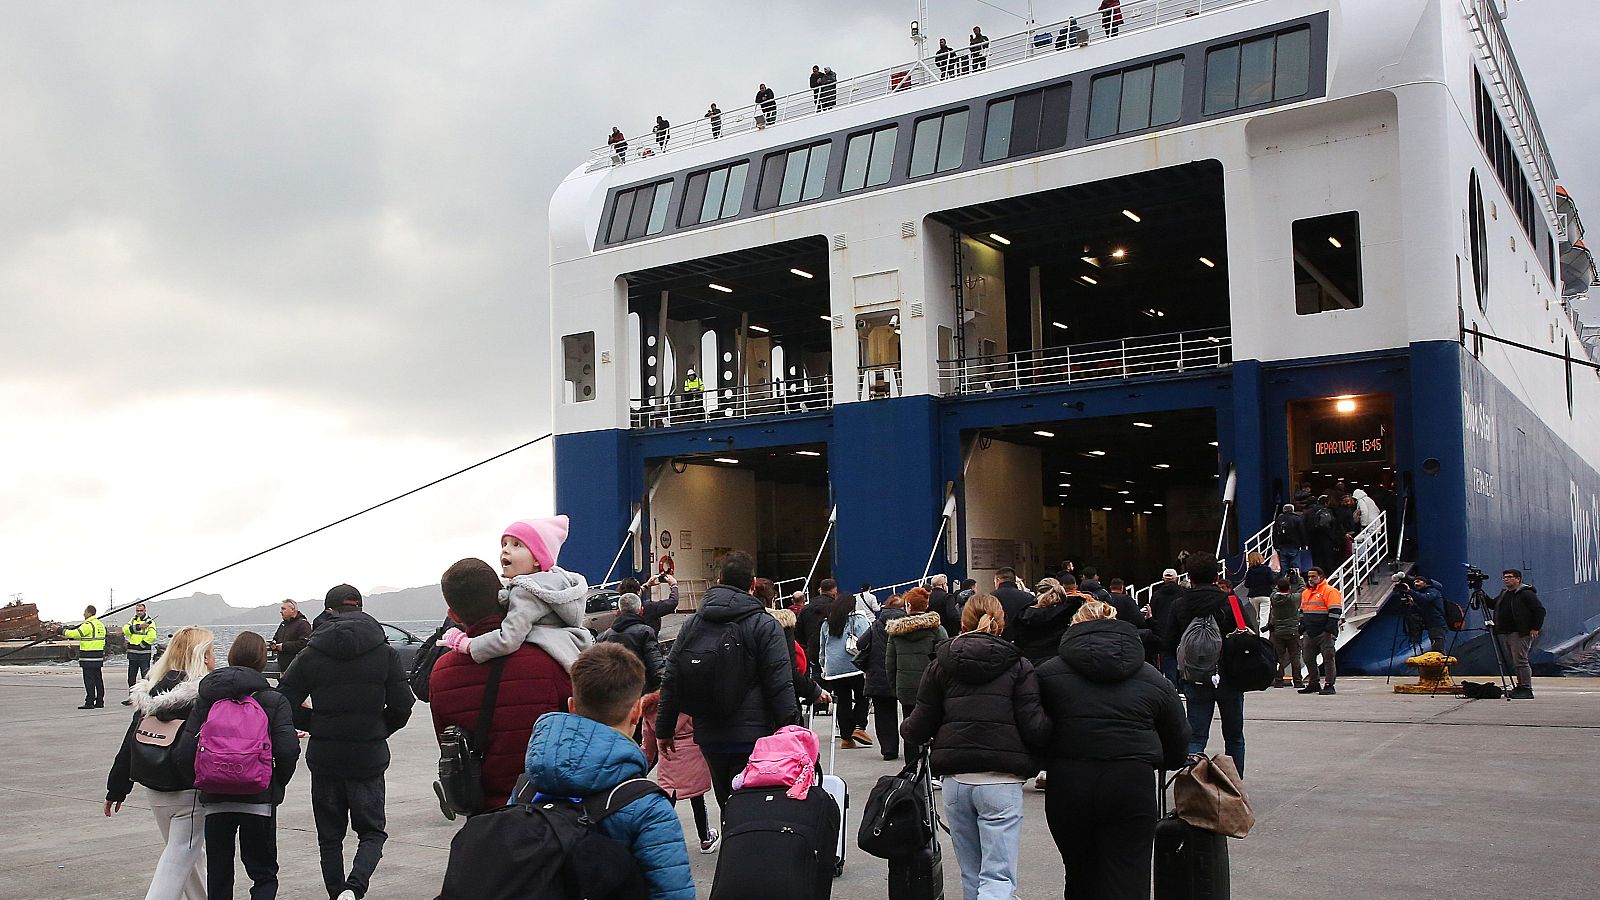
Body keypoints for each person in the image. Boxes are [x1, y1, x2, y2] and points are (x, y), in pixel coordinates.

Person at [1036, 600, 1189, 900]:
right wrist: (1166, 759)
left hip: (1070, 779)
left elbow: (1034, 725)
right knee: (1129, 868)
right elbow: (1179, 734)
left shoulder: (1047, 673)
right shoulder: (1151, 676)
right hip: (1132, 779)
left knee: (1079, 869)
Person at [901, 595, 1051, 900]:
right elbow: (1035, 726)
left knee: (971, 873)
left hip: (956, 779)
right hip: (1001, 780)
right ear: (1001, 624)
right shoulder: (1018, 665)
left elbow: (917, 727)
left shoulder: (941, 664)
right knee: (997, 875)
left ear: (963, 622)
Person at [277, 584, 416, 900]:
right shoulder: (385, 652)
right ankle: (354, 889)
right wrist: (378, 728)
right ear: (362, 608)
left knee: (329, 837)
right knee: (372, 832)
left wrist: (315, 724)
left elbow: (284, 700)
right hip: (368, 756)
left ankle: (336, 893)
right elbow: (403, 706)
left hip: (326, 756)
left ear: (327, 611)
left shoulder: (311, 653)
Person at [526, 644, 695, 900]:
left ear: (572, 706)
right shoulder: (647, 806)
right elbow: (673, 893)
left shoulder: (528, 785)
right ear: (637, 711)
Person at [655, 550, 797, 814]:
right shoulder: (764, 625)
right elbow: (779, 683)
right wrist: (792, 732)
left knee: (726, 803)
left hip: (710, 733)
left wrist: (664, 729)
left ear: (718, 580)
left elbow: (672, 676)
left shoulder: (693, 623)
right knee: (752, 807)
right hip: (754, 735)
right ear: (752, 584)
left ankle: (732, 843)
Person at [429, 558, 572, 810]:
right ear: (503, 597)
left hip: (485, 816)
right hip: (545, 809)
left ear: (453, 614)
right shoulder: (549, 657)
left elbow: (448, 741)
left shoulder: (441, 674)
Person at [176, 631, 300, 900]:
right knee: (263, 871)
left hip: (216, 799)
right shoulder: (273, 699)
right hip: (258, 798)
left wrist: (203, 782)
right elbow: (288, 751)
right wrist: (275, 784)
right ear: (261, 660)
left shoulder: (207, 699)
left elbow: (185, 752)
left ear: (230, 656)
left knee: (219, 872)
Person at [105, 625, 217, 900]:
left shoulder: (151, 692)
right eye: (212, 653)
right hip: (187, 789)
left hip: (154, 786)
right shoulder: (204, 695)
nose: (215, 659)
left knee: (186, 857)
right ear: (202, 657)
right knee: (179, 857)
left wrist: (117, 788)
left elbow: (129, 742)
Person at [442, 517, 594, 671]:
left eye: (517, 545)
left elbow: (508, 639)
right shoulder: (553, 583)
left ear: (537, 558)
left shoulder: (526, 592)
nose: (506, 549)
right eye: (504, 544)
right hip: (569, 648)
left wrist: (467, 645)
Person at [1166, 553, 1252, 775]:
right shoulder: (1231, 603)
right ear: (1217, 576)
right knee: (1234, 737)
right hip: (1230, 678)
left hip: (1195, 678)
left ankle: (1193, 788)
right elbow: (1249, 635)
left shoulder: (1180, 605)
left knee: (1195, 737)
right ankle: (1234, 787)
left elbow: (1169, 642)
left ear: (1190, 577)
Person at [641, 689, 720, 854]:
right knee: (697, 799)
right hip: (693, 755)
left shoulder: (651, 710)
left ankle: (661, 840)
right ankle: (705, 838)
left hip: (668, 756)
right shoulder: (691, 704)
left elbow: (648, 742)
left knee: (669, 799)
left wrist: (645, 763)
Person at [856, 593, 907, 760]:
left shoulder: (876, 625)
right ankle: (912, 748)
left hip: (878, 675)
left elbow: (860, 644)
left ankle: (888, 749)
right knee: (909, 712)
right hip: (902, 673)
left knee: (884, 713)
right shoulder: (908, 625)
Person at [820, 593, 873, 750]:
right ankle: (859, 727)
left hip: (834, 669)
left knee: (843, 701)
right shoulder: (858, 619)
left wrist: (824, 666)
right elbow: (867, 641)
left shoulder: (827, 623)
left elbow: (823, 648)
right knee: (863, 696)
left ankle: (846, 738)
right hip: (855, 665)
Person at [885, 587, 947, 717]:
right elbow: (944, 660)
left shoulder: (896, 632)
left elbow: (890, 663)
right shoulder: (937, 629)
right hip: (931, 687)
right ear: (926, 605)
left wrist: (896, 688)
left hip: (905, 687)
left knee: (909, 726)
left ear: (908, 605)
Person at [599, 593, 667, 693]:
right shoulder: (646, 632)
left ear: (618, 611)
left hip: (615, 694)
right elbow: (656, 668)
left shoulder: (605, 636)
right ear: (641, 611)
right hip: (640, 691)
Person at [1492, 569, 1544, 699]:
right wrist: (1481, 595)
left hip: (1520, 633)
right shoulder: (1504, 594)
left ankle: (1526, 688)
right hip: (1507, 632)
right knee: (1515, 661)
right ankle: (1520, 686)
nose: (1506, 579)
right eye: (1504, 577)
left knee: (1521, 661)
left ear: (1518, 579)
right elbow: (1494, 605)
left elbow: (1539, 610)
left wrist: (1535, 628)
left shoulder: (1526, 594)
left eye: (1510, 577)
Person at [1015, 576, 1085, 667]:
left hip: (1031, 662)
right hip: (1060, 662)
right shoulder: (1069, 611)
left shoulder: (1025, 615)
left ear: (1038, 592)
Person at [1298, 567, 1342, 696]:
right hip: (1310, 631)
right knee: (1308, 658)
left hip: (1325, 632)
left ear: (1321, 576)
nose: (1310, 579)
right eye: (1309, 577)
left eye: (1313, 576)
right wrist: (1303, 626)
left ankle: (1329, 684)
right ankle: (1314, 683)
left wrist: (1329, 629)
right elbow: (1302, 611)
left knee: (1328, 658)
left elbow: (1335, 611)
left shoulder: (1330, 591)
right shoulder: (1305, 593)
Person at [1149, 569, 1186, 685]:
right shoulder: (1183, 593)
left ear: (1163, 580)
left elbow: (1152, 613)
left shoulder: (1156, 595)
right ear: (1176, 579)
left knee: (1167, 660)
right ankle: (1181, 685)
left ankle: (1171, 685)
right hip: (1180, 631)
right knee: (1182, 658)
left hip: (1163, 632)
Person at [65, 604, 107, 709]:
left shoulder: (88, 624)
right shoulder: (100, 624)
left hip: (88, 655)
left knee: (89, 679)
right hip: (98, 655)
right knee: (98, 679)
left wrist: (61, 631)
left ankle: (89, 702)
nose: (83, 614)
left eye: (85, 612)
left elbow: (75, 634)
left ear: (89, 613)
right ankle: (100, 701)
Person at [1268, 574, 1304, 688]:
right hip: (1293, 630)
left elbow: (1274, 590)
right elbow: (1302, 589)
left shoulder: (1273, 598)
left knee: (1278, 657)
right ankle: (1297, 681)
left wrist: (1283, 580)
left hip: (1278, 631)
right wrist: (1299, 578)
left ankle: (1278, 680)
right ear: (1289, 588)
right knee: (1295, 657)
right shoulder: (1294, 599)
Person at [1403, 574, 1449, 656]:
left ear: (1425, 583)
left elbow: (1426, 598)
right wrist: (1412, 604)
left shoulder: (1433, 591)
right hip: (1432, 625)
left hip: (1438, 624)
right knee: (1436, 647)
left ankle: (1441, 666)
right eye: (1414, 582)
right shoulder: (1424, 595)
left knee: (1438, 650)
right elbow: (1422, 610)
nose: (1415, 584)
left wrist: (1410, 591)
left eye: (1418, 581)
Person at [795, 579, 836, 673]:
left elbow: (798, 634)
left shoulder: (805, 609)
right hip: (834, 653)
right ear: (835, 591)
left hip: (814, 652)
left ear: (820, 590)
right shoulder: (836, 608)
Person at [991, 567, 1036, 644]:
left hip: (999, 642)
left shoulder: (991, 598)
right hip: (1025, 642)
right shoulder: (1029, 597)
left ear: (998, 580)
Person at [123, 602, 157, 701]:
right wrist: (138, 627)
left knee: (145, 677)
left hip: (143, 654)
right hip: (132, 654)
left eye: (141, 610)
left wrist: (141, 645)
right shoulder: (133, 620)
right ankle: (131, 697)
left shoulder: (150, 622)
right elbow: (125, 630)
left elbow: (152, 636)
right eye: (137, 610)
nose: (139, 612)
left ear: (145, 610)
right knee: (131, 677)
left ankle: (146, 697)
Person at [269, 599, 312, 676]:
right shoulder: (283, 624)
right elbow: (276, 637)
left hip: (297, 669)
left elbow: (305, 644)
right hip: (283, 667)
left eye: (283, 609)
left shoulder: (303, 624)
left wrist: (284, 647)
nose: (280, 611)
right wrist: (274, 643)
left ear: (292, 610)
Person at [1273, 503, 1311, 574]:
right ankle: (1295, 580)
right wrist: (1304, 543)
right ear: (1292, 510)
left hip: (1282, 546)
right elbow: (1302, 532)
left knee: (1284, 565)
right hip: (1294, 545)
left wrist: (1276, 545)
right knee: (1295, 564)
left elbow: (1274, 533)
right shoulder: (1297, 519)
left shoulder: (1279, 519)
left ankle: (1284, 580)